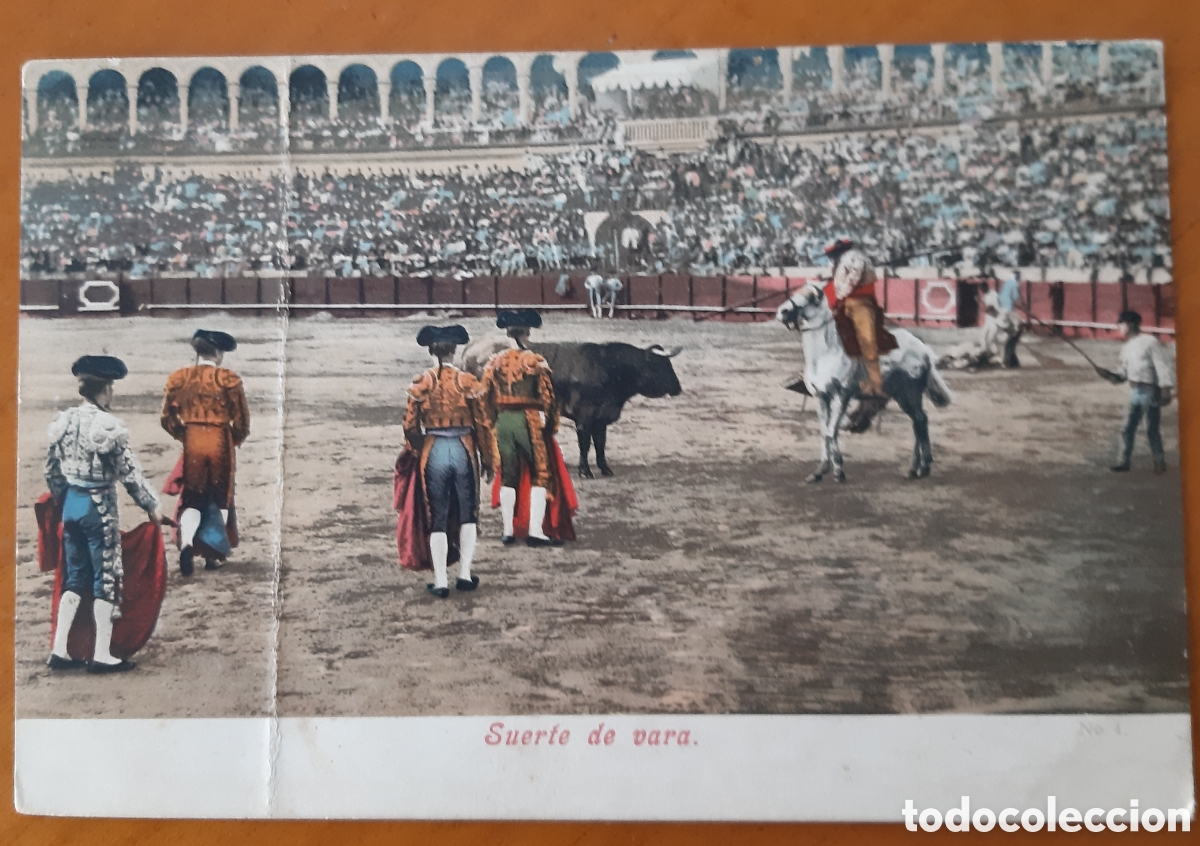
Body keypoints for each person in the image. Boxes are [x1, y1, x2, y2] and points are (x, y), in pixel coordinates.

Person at [44, 355, 162, 673]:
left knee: (75, 575)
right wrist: (151, 507)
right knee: (104, 578)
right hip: (99, 508)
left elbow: (52, 471)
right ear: (105, 389)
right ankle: (101, 654)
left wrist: (64, 500)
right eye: (111, 387)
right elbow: (130, 474)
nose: (112, 393)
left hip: (72, 506)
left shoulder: (64, 421)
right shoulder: (108, 426)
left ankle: (60, 651)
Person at [401, 325, 494, 598]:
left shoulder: (421, 383)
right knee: (468, 512)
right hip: (464, 448)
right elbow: (484, 424)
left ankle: (441, 581)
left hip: (434, 449)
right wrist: (488, 458)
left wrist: (418, 450)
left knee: (437, 516)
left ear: (431, 351)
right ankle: (464, 574)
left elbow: (409, 425)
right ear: (454, 352)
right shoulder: (468, 382)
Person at [160, 329, 249, 575]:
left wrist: (185, 436)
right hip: (220, 440)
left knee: (193, 497)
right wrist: (233, 439)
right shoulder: (229, 380)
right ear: (218, 354)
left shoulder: (179, 378)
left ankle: (187, 541)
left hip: (193, 440)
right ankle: (212, 554)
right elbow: (241, 421)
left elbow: (166, 418)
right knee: (220, 495)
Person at [479, 309, 564, 547]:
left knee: (508, 475)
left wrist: (493, 424)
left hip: (504, 421)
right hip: (528, 419)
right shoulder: (535, 361)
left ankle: (507, 531)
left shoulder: (494, 362)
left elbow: (485, 398)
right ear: (527, 334)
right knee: (541, 474)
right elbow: (549, 398)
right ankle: (535, 532)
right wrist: (550, 426)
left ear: (507, 334)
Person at [1099, 310, 1174, 473]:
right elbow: (1123, 374)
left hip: (1151, 391)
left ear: (1131, 324)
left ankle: (1159, 462)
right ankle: (1124, 462)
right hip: (1136, 391)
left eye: (1121, 324)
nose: (1119, 327)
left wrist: (1166, 389)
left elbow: (1162, 365)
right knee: (1127, 428)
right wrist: (1109, 375)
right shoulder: (1126, 348)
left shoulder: (1150, 342)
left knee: (1151, 429)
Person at [826, 239, 895, 401]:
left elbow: (851, 281)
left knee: (866, 341)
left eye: (832, 254)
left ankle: (875, 384)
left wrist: (836, 295)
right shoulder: (843, 261)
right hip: (844, 302)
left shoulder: (855, 258)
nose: (831, 257)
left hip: (860, 303)